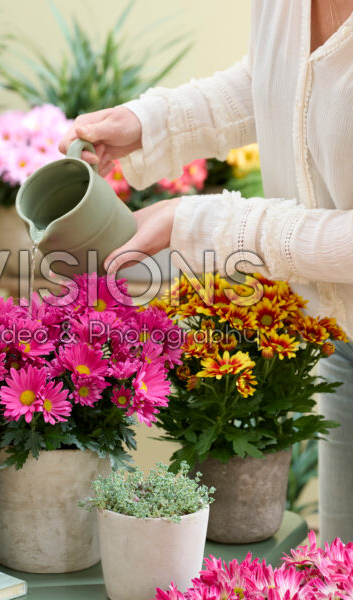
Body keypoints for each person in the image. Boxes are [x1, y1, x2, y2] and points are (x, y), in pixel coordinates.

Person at [59, 0, 353, 543]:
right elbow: (280, 78)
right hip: (343, 340)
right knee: (345, 563)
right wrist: (150, 123)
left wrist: (209, 224)